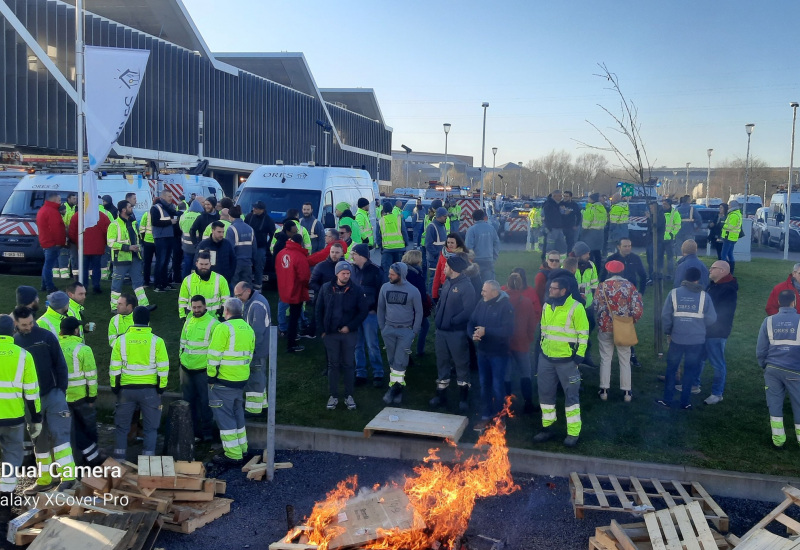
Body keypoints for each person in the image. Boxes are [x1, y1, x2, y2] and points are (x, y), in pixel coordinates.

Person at [13, 306, 75, 492]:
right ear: (16, 323)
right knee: (39, 441)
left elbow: (60, 364)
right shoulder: (15, 342)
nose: (29, 327)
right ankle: (44, 479)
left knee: (60, 435)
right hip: (31, 400)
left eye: (31, 322)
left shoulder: (47, 337)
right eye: (24, 325)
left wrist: (60, 390)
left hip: (53, 394)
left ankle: (68, 477)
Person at [533, 277, 588, 447]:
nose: (550, 290)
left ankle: (573, 433)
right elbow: (543, 331)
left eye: (554, 288)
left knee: (571, 398)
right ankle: (547, 428)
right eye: (550, 287)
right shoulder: (547, 305)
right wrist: (540, 352)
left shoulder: (576, 308)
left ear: (564, 291)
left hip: (567, 362)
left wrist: (579, 357)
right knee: (545, 396)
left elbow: (583, 334)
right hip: (546, 360)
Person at [110, 306, 168, 460]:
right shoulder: (157, 341)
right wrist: (161, 388)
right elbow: (163, 368)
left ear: (133, 319)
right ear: (148, 320)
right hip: (149, 391)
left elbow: (114, 367)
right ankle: (148, 461)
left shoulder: (120, 340)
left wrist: (115, 387)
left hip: (126, 390)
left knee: (122, 427)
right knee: (151, 428)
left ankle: (119, 460)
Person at [658, 267, 717, 410]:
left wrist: (668, 332)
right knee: (690, 371)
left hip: (677, 338)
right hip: (696, 340)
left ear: (684, 278)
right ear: (698, 279)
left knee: (671, 370)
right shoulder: (704, 296)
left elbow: (666, 316)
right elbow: (712, 318)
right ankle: (685, 402)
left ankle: (667, 400)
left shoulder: (674, 294)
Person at [208, 298, 255, 464]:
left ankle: (233, 455)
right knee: (238, 415)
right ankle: (243, 448)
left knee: (225, 418)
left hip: (223, 381)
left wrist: (211, 376)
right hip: (240, 379)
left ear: (226, 311)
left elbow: (214, 355)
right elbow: (249, 355)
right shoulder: (248, 329)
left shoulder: (223, 328)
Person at [0, 315, 40, 508]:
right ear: (13, 330)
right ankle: (5, 502)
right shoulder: (24, 355)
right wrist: (36, 417)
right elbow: (32, 392)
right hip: (13, 418)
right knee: (12, 457)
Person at [317, 261, 369, 410]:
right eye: (343, 273)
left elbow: (363, 311)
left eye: (348, 273)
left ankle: (348, 395)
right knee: (332, 365)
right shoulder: (326, 288)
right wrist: (322, 331)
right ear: (337, 273)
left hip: (349, 334)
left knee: (348, 365)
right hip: (330, 334)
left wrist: (350, 326)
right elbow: (318, 309)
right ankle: (333, 396)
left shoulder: (357, 290)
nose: (346, 276)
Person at [429, 255, 476, 411]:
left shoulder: (466, 287)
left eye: (446, 266)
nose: (444, 268)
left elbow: (468, 310)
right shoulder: (448, 282)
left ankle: (464, 398)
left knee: (461, 363)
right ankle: (441, 395)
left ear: (454, 269)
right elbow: (442, 302)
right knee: (442, 363)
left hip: (456, 333)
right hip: (441, 332)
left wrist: (453, 321)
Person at [594, 260, 643, 403]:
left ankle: (604, 390)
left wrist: (600, 320)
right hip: (624, 327)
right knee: (625, 359)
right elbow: (638, 309)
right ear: (622, 271)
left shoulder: (601, 287)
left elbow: (595, 306)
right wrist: (630, 322)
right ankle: (627, 392)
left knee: (605, 358)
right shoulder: (630, 287)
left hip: (605, 327)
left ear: (608, 272)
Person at [756, 289, 800, 449]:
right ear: (794, 302)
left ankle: (778, 440)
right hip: (795, 370)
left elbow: (761, 349)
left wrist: (764, 365)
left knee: (774, 404)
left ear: (779, 302)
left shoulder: (768, 321)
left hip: (772, 370)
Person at [469, 280, 514, 431]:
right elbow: (471, 322)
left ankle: (500, 418)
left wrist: (486, 330)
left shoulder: (505, 306)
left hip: (498, 354)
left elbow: (507, 331)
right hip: (483, 353)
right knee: (484, 386)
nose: (481, 293)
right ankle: (486, 416)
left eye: (484, 291)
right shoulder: (482, 303)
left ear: (494, 292)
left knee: (497, 387)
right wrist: (473, 335)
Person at [58, 317, 101, 466]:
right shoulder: (83, 349)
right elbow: (91, 376)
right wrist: (92, 397)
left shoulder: (55, 346)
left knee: (71, 430)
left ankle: (77, 461)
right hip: (81, 398)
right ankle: (93, 458)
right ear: (76, 330)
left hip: (61, 398)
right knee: (88, 428)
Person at [378, 262, 423, 405]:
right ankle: (398, 388)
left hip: (405, 331)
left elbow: (419, 312)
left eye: (392, 274)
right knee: (392, 361)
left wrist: (414, 331)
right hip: (388, 329)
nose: (389, 276)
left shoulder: (413, 290)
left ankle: (393, 389)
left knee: (400, 360)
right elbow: (380, 309)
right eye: (389, 273)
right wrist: (382, 328)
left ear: (401, 275)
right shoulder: (385, 287)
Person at [697, 261, 737, 405]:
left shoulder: (728, 289)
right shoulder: (713, 284)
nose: (709, 270)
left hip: (717, 332)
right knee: (699, 358)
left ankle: (717, 393)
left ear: (722, 271)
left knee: (717, 363)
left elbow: (721, 312)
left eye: (713, 268)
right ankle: (695, 385)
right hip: (706, 329)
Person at [179, 295, 217, 441]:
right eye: (194, 307)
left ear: (205, 306)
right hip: (186, 369)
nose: (196, 310)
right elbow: (182, 342)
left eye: (199, 307)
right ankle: (192, 433)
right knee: (188, 403)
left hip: (203, 370)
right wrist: (181, 360)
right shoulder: (188, 320)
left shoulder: (213, 324)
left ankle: (207, 433)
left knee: (206, 403)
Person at [504, 272, 541, 414]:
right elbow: (532, 324)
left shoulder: (502, 300)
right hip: (521, 342)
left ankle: (505, 406)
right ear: (521, 285)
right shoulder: (525, 301)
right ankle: (528, 403)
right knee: (525, 373)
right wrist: (529, 337)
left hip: (505, 342)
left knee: (506, 375)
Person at [350, 244, 386, 387]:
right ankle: (361, 372)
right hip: (355, 314)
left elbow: (382, 292)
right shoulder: (351, 270)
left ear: (362, 255)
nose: (351, 256)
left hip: (370, 314)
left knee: (372, 344)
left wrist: (375, 309)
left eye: (354, 254)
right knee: (357, 345)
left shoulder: (376, 270)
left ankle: (378, 373)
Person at [234, 282, 271, 416]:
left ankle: (254, 410)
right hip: (258, 349)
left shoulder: (256, 306)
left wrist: (250, 350)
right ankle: (263, 406)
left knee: (255, 380)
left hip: (256, 350)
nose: (238, 299)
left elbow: (257, 333)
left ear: (248, 291)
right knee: (259, 378)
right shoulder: (254, 302)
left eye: (239, 295)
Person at [107, 200, 150, 311]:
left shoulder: (133, 223)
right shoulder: (114, 225)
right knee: (117, 284)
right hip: (121, 259)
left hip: (135, 257)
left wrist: (137, 248)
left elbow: (137, 238)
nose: (132, 208)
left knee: (138, 282)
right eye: (130, 207)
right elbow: (110, 243)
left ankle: (144, 305)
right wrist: (128, 247)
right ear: (123, 210)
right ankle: (114, 307)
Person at [276, 234, 310, 353]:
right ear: (300, 242)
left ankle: (286, 331)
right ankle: (292, 343)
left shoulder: (281, 253)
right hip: (296, 291)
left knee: (284, 310)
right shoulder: (299, 256)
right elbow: (304, 277)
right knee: (294, 317)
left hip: (283, 289)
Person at [68, 204, 110, 294]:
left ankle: (84, 287)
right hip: (98, 247)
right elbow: (108, 232)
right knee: (96, 268)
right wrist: (105, 243)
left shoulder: (77, 216)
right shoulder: (102, 216)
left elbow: (72, 232)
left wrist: (77, 242)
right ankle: (96, 286)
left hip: (83, 247)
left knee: (83, 268)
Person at [178, 253, 231, 319]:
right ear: (196, 263)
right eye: (201, 264)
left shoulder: (220, 280)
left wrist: (223, 316)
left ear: (210, 264)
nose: (204, 267)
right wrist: (182, 316)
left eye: (206, 264)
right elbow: (182, 300)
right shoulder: (187, 280)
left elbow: (226, 301)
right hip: (193, 319)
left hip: (214, 319)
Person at [402, 249, 432, 358]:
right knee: (424, 326)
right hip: (415, 306)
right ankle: (419, 351)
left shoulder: (403, 271)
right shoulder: (415, 273)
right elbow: (420, 291)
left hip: (405, 306)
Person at [150, 189, 179, 293]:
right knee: (160, 262)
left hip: (169, 236)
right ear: (162, 197)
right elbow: (155, 222)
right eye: (169, 196)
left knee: (166, 262)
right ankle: (158, 285)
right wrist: (169, 221)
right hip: (161, 237)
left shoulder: (171, 208)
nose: (171, 198)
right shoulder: (155, 208)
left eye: (171, 196)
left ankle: (165, 283)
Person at [37, 191, 65, 293]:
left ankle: (44, 285)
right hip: (52, 243)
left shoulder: (43, 210)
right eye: (59, 200)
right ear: (54, 200)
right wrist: (60, 242)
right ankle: (49, 286)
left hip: (46, 241)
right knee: (48, 266)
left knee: (46, 265)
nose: (61, 202)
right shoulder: (52, 212)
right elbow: (56, 229)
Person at [246, 201, 277, 290]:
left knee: (259, 268)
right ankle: (247, 287)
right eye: (254, 207)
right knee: (248, 267)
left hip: (260, 248)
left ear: (262, 210)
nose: (254, 209)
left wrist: (267, 246)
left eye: (256, 208)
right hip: (248, 247)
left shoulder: (268, 220)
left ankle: (258, 288)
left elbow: (273, 235)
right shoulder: (249, 216)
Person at [465, 209, 500, 283]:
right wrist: (494, 257)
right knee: (489, 284)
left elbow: (468, 247)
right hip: (489, 260)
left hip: (475, 260)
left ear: (473, 218)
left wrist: (469, 261)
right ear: (484, 217)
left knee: (475, 284)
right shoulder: (491, 228)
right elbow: (496, 243)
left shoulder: (471, 230)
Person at [432, 233, 469, 301]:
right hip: (444, 285)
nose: (450, 245)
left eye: (452, 243)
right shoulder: (443, 255)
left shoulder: (462, 256)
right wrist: (434, 294)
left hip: (458, 286)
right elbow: (437, 274)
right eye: (448, 242)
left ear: (457, 243)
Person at [377, 202, 410, 279]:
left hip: (387, 249)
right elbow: (404, 232)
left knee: (386, 271)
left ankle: (387, 288)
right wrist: (406, 243)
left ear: (383, 210)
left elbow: (378, 236)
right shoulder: (398, 219)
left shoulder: (381, 221)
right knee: (399, 270)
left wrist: (380, 246)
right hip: (399, 248)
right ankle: (400, 287)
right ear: (392, 209)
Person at [225, 205, 255, 289]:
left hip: (236, 263)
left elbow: (230, 248)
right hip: (248, 263)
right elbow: (254, 248)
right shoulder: (250, 229)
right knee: (247, 287)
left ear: (230, 216)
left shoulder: (231, 229)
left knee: (235, 287)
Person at [179, 196, 204, 278]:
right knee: (196, 266)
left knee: (186, 266)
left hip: (186, 246)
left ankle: (184, 283)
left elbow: (180, 228)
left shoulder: (183, 216)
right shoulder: (200, 216)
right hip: (196, 244)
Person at [424, 207, 449, 291]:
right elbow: (428, 244)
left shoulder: (442, 226)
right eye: (445, 216)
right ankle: (431, 299)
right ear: (439, 216)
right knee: (433, 279)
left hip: (441, 258)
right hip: (434, 260)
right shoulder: (432, 227)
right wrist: (437, 255)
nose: (446, 218)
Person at [581, 193, 607, 266]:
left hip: (590, 233)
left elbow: (586, 223)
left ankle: (590, 268)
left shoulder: (590, 209)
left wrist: (583, 232)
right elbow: (605, 221)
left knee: (589, 253)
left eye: (589, 198)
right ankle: (598, 269)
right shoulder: (602, 208)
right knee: (598, 252)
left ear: (592, 199)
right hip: (600, 233)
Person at [541, 190, 567, 258]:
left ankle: (561, 262)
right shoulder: (548, 205)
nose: (561, 197)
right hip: (552, 229)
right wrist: (549, 228)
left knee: (561, 246)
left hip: (559, 228)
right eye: (560, 196)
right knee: (550, 247)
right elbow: (546, 217)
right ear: (554, 196)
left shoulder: (559, 204)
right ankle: (548, 262)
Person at [720, 199, 743, 275]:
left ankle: (726, 270)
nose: (728, 207)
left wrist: (723, 225)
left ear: (733, 206)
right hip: (732, 238)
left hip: (728, 237)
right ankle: (730, 270)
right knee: (730, 254)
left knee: (723, 255)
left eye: (729, 205)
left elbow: (730, 226)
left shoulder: (733, 215)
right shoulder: (737, 214)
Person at [139, 204, 156, 288]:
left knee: (147, 263)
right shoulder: (161, 213)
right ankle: (157, 280)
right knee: (159, 262)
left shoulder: (146, 214)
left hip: (147, 241)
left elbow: (142, 229)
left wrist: (142, 239)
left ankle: (146, 281)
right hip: (158, 241)